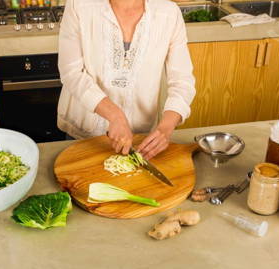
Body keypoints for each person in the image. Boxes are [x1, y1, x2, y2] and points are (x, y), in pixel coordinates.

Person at [58, 0, 195, 160]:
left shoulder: (169, 14)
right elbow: (71, 72)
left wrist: (166, 128)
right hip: (83, 137)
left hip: (140, 141)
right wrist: (115, 115)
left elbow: (182, 81)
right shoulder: (79, 5)